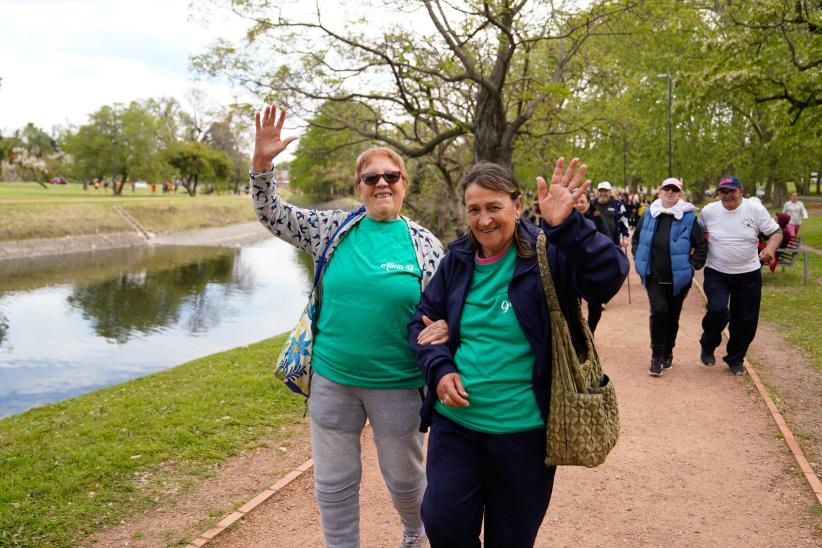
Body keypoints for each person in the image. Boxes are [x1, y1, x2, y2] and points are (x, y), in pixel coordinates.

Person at [250, 104, 444, 548]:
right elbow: (273, 214)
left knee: (405, 479)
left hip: (398, 383)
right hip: (333, 380)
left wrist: (448, 330)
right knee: (334, 484)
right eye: (371, 177)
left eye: (390, 176)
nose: (381, 184)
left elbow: (448, 307)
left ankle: (414, 532)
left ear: (403, 184)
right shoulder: (331, 229)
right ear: (358, 186)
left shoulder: (424, 245)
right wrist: (262, 166)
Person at [409, 158, 628, 547]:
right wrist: (440, 369)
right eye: (474, 209)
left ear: (517, 204)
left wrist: (567, 227)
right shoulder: (457, 259)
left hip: (524, 433)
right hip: (457, 427)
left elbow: (609, 276)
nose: (484, 220)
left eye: (494, 207)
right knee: (443, 523)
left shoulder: (547, 255)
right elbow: (422, 323)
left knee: (511, 538)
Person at [698, 176, 781, 375]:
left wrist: (770, 249)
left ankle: (735, 358)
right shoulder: (709, 211)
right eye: (723, 192)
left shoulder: (754, 209)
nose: (727, 196)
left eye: (731, 191)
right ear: (718, 193)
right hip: (717, 271)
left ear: (741, 192)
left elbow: (776, 232)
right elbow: (698, 235)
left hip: (748, 273)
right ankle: (708, 345)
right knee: (717, 310)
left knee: (745, 320)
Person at [632, 177, 707, 376]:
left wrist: (692, 266)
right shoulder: (650, 213)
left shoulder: (689, 217)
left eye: (675, 189)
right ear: (660, 191)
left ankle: (668, 352)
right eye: (667, 188)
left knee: (672, 317)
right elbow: (637, 238)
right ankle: (656, 356)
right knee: (659, 311)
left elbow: (701, 245)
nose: (670, 192)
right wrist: (638, 258)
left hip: (678, 279)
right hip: (654, 276)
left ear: (679, 193)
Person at [573, 190, 609, 333]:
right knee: (572, 305)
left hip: (594, 267)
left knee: (595, 307)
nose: (579, 205)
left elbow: (607, 240)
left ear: (589, 202)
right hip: (572, 268)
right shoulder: (564, 218)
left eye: (583, 202)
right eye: (576, 201)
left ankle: (590, 331)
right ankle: (577, 334)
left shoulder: (597, 217)